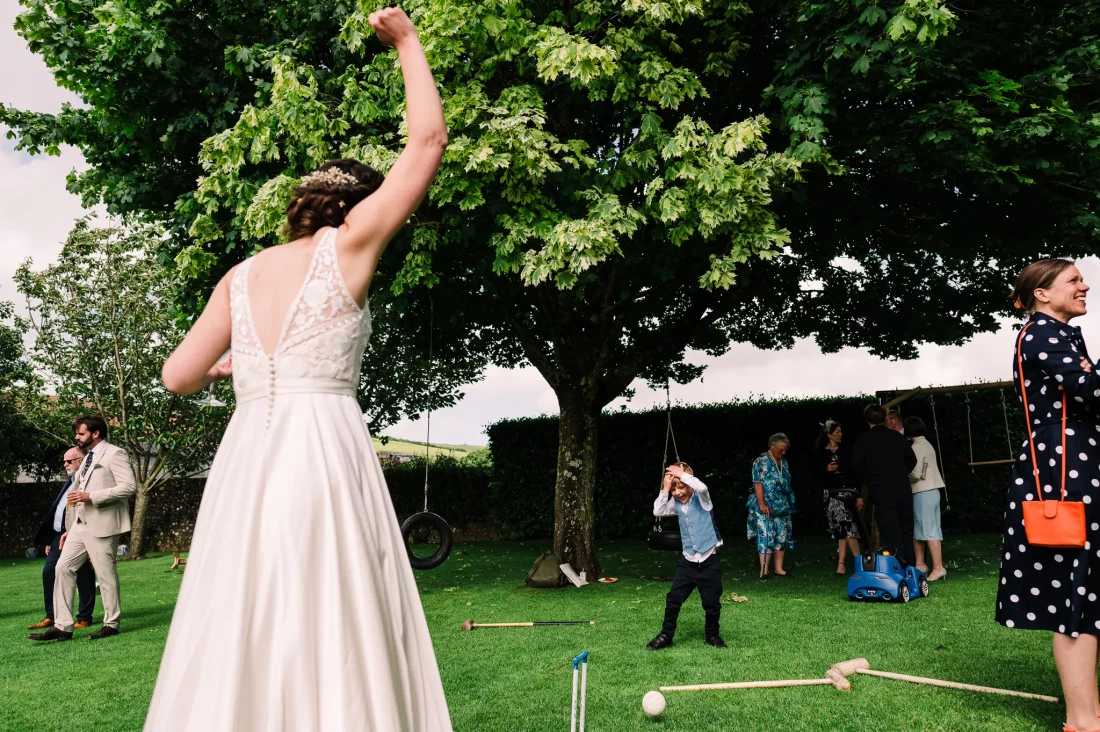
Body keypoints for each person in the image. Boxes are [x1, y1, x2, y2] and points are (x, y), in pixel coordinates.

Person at [145, 9, 452, 730]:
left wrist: (241, 368)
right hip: (321, 445)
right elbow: (428, 141)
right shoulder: (347, 248)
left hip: (249, 454)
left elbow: (176, 376)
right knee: (333, 605)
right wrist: (407, 43)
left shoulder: (241, 274)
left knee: (248, 611)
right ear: (355, 207)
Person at [996, 258, 1100, 732]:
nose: (1085, 286)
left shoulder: (1062, 334)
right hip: (1065, 472)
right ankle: (1082, 720)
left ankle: (1088, 713)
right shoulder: (1042, 334)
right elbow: (1091, 391)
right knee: (1075, 593)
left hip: (1078, 463)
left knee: (1086, 589)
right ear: (1041, 293)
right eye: (1074, 280)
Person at [28, 416, 135, 642]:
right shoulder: (87, 459)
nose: (76, 437)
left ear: (95, 433)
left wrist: (92, 497)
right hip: (79, 525)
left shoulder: (115, 454)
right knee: (62, 568)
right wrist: (69, 527)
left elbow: (129, 487)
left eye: (81, 433)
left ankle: (111, 624)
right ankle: (63, 626)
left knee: (106, 575)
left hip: (104, 524)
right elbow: (75, 493)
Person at [645, 463, 726, 651]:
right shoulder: (675, 504)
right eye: (674, 489)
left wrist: (682, 474)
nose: (678, 492)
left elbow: (703, 487)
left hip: (708, 560)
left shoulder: (703, 499)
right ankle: (666, 635)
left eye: (681, 487)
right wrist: (666, 488)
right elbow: (658, 511)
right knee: (673, 599)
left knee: (712, 602)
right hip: (688, 561)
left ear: (689, 483)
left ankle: (712, 635)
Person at [27, 446, 97, 631]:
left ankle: (84, 617)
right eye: (64, 461)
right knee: (49, 572)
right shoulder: (70, 481)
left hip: (81, 532)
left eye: (69, 461)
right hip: (60, 535)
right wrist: (51, 539)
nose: (65, 464)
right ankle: (52, 616)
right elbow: (59, 513)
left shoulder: (87, 481)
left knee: (83, 574)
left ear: (81, 460)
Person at [851, 404, 918, 565]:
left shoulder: (864, 440)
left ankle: (898, 567)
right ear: (883, 418)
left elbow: (856, 467)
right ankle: (911, 568)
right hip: (903, 489)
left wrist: (871, 481)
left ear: (867, 419)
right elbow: (912, 460)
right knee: (907, 531)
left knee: (891, 532)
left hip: (882, 492)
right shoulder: (898, 437)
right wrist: (901, 473)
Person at [816, 420, 864, 575]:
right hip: (832, 495)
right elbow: (815, 476)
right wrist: (825, 469)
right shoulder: (820, 453)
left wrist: (859, 495)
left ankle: (845, 563)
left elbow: (855, 473)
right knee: (843, 527)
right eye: (837, 432)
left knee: (845, 527)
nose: (841, 434)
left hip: (848, 494)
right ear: (829, 434)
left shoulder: (846, 451)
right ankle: (857, 562)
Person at [903, 416, 947, 581]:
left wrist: (901, 475)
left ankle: (938, 567)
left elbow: (916, 474)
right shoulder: (925, 444)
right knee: (924, 529)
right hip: (931, 490)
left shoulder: (918, 447)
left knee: (929, 530)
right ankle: (920, 564)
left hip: (923, 491)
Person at [748, 433, 795, 579]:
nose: (783, 452)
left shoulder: (784, 462)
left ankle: (779, 568)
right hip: (765, 507)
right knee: (766, 536)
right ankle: (764, 571)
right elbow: (758, 483)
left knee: (781, 537)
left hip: (782, 506)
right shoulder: (761, 461)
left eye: (785, 450)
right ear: (772, 446)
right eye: (781, 449)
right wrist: (762, 504)